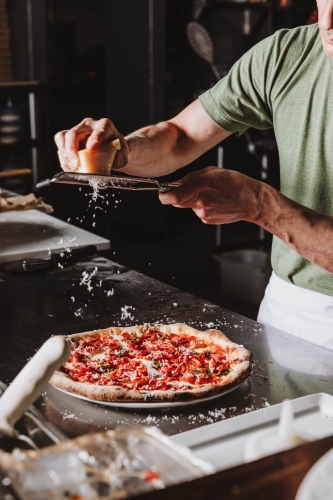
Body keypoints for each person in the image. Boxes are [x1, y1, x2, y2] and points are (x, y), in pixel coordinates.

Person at [55, 0, 333, 351]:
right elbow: (180, 137)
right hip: (287, 311)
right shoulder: (287, 53)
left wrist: (261, 205)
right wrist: (121, 150)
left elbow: (262, 205)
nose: (330, 19)